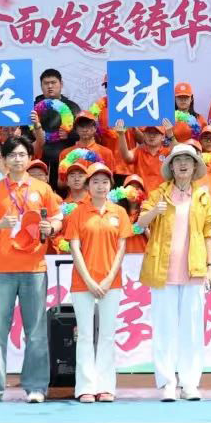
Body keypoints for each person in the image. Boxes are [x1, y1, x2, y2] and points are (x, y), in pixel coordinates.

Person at [0, 138, 63, 404]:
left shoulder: (42, 188)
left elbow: (58, 217)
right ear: (3, 159)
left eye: (22, 154)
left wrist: (51, 228)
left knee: (35, 331)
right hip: (1, 267)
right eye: (12, 155)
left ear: (29, 157)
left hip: (34, 267)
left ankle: (36, 386)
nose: (17, 159)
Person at [142, 141, 211, 402]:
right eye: (178, 160)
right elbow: (139, 223)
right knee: (164, 329)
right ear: (171, 167)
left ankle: (189, 383)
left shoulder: (202, 196)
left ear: (195, 166)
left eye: (188, 160)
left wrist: (210, 266)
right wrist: (155, 211)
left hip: (194, 270)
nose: (183, 164)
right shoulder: (159, 194)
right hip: (162, 271)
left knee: (192, 329)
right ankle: (167, 383)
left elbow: (208, 233)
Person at [66, 160, 130, 403]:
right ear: (87, 186)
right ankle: (85, 387)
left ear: (110, 185)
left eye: (105, 181)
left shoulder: (119, 212)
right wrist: (90, 280)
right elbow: (75, 248)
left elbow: (121, 248)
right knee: (84, 335)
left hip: (111, 283)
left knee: (107, 335)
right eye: (95, 182)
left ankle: (105, 386)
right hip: (83, 283)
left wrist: (108, 278)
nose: (101, 186)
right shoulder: (77, 212)